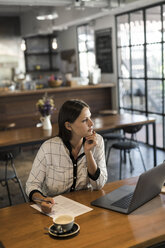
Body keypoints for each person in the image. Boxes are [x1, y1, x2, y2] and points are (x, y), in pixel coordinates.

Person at [26, 99, 107, 214]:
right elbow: (32, 184)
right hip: (55, 211)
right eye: (85, 120)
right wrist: (41, 200)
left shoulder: (97, 141)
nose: (91, 123)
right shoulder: (48, 148)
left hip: (86, 206)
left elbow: (99, 185)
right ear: (68, 126)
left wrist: (88, 153)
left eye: (90, 117)